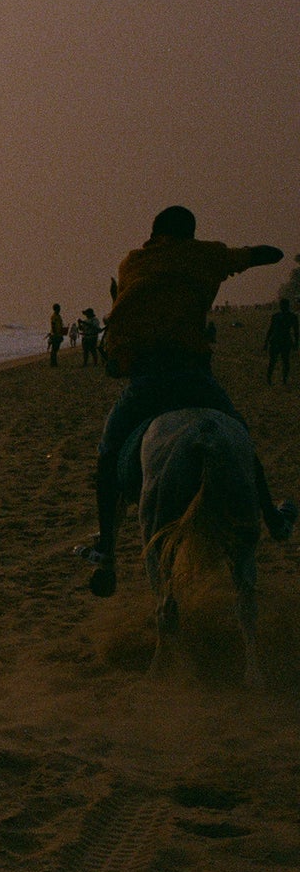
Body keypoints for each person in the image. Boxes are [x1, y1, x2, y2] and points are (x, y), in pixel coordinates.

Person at [84, 206, 293, 596]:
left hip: (147, 380)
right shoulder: (208, 255)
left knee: (109, 454)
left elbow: (128, 306)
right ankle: (273, 520)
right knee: (241, 439)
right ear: (191, 234)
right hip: (194, 378)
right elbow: (270, 254)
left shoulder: (134, 261)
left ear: (154, 233)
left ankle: (107, 554)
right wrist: (250, 255)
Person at [268, 298, 298, 386]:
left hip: (277, 340)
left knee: (274, 361)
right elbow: (296, 332)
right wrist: (296, 343)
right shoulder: (292, 317)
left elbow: (271, 330)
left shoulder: (276, 316)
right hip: (285, 340)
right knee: (285, 362)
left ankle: (270, 379)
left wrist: (266, 342)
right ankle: (283, 380)